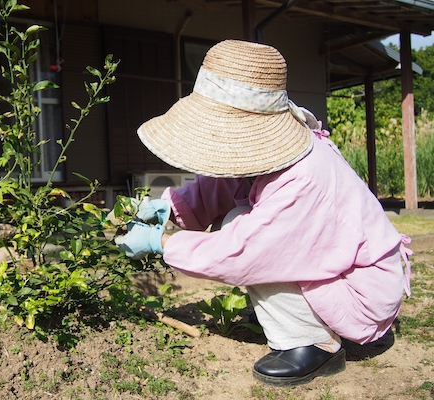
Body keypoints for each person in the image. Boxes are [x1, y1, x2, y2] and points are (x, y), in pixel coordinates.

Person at [114, 39, 412, 387]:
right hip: (335, 267)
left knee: (241, 230)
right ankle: (300, 320)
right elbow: (217, 187)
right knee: (235, 219)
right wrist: (167, 209)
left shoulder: (303, 176)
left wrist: (161, 242)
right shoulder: (266, 157)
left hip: (359, 290)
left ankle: (316, 344)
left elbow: (247, 249)